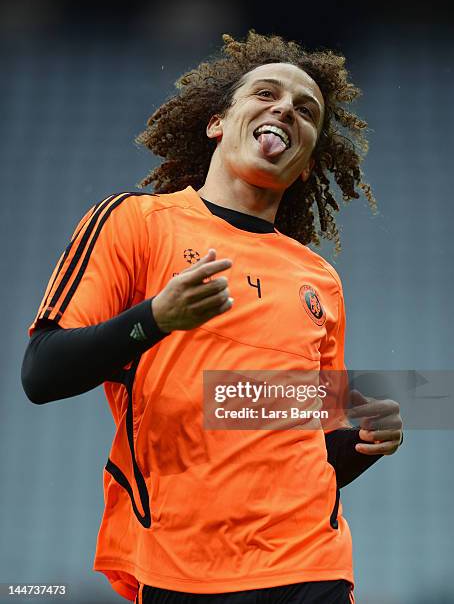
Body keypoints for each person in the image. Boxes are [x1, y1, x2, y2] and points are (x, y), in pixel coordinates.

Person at [21, 31, 403, 604]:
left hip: (311, 565)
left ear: (305, 166)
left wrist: (362, 444)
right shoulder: (138, 222)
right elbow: (41, 373)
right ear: (217, 124)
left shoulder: (319, 279)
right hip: (183, 568)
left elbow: (302, 450)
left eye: (306, 111)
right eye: (267, 94)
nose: (285, 110)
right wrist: (153, 319)